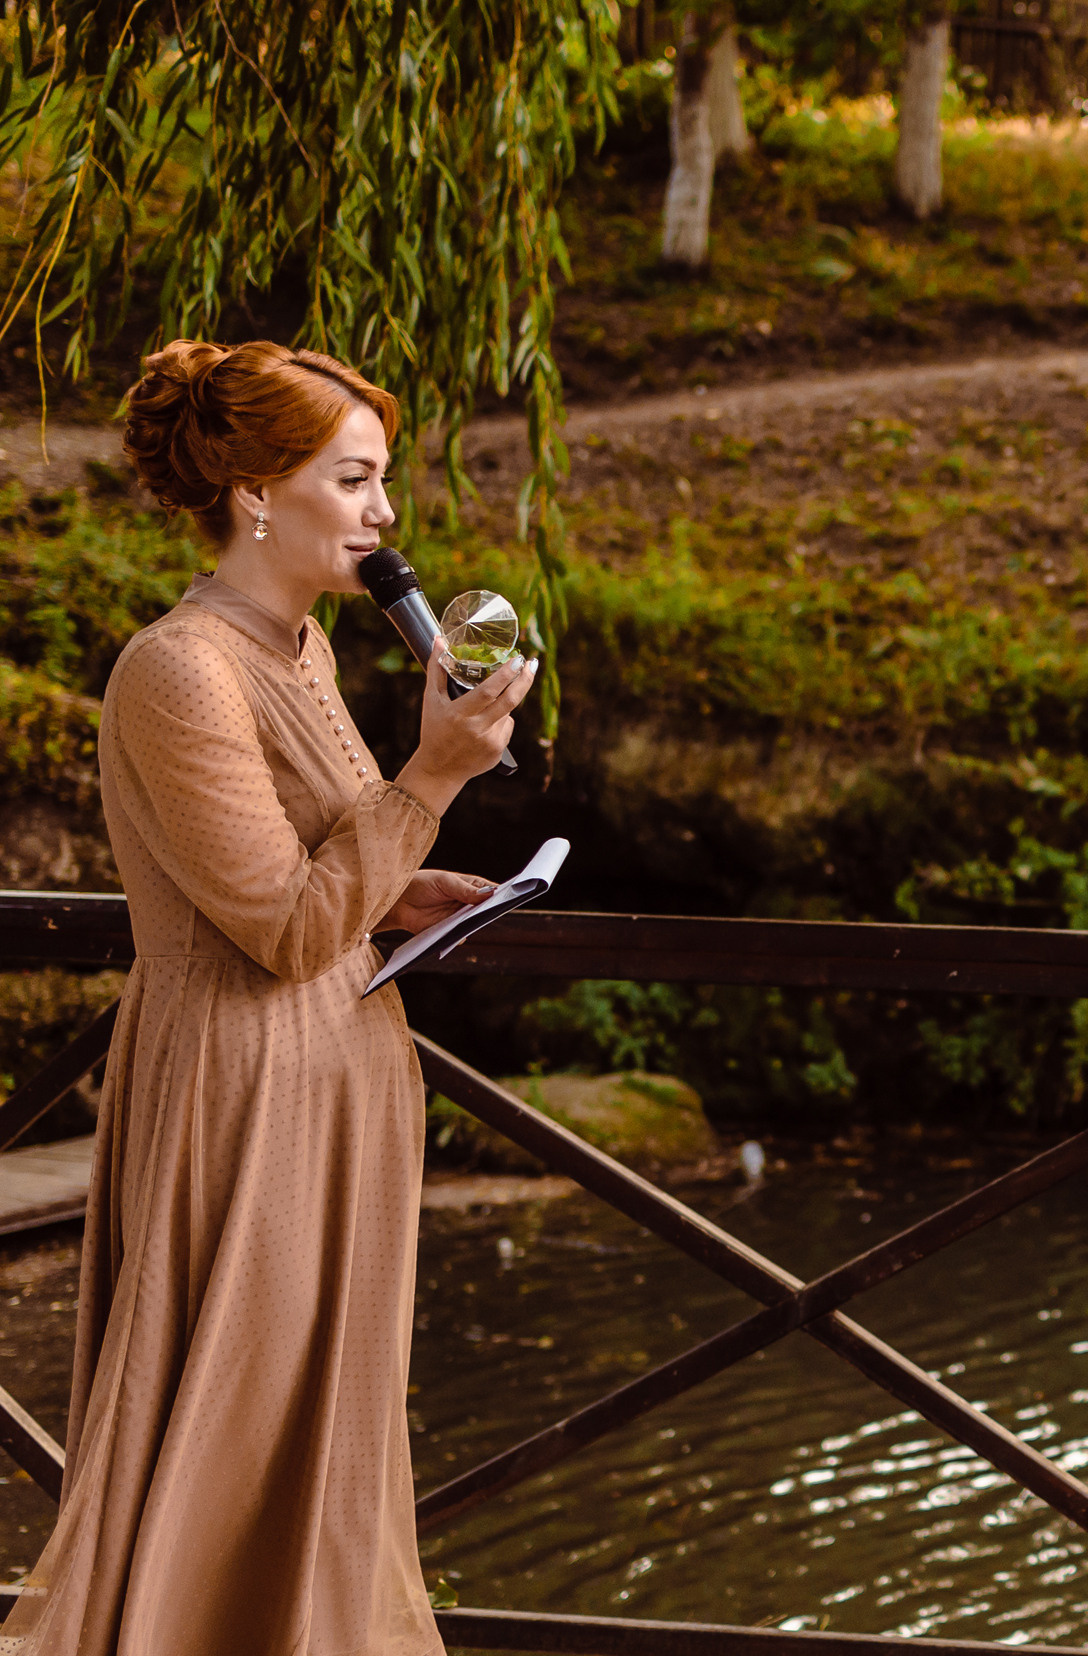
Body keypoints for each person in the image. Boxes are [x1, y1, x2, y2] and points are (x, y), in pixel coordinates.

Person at [0, 341, 534, 1656]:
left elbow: (307, 877)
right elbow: (285, 930)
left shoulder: (302, 652)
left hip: (339, 1085)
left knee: (325, 1441)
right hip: (245, 1096)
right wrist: (434, 776)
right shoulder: (179, 669)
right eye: (353, 480)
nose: (384, 512)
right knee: (232, 1434)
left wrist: (403, 885)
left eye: (382, 480)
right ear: (253, 493)